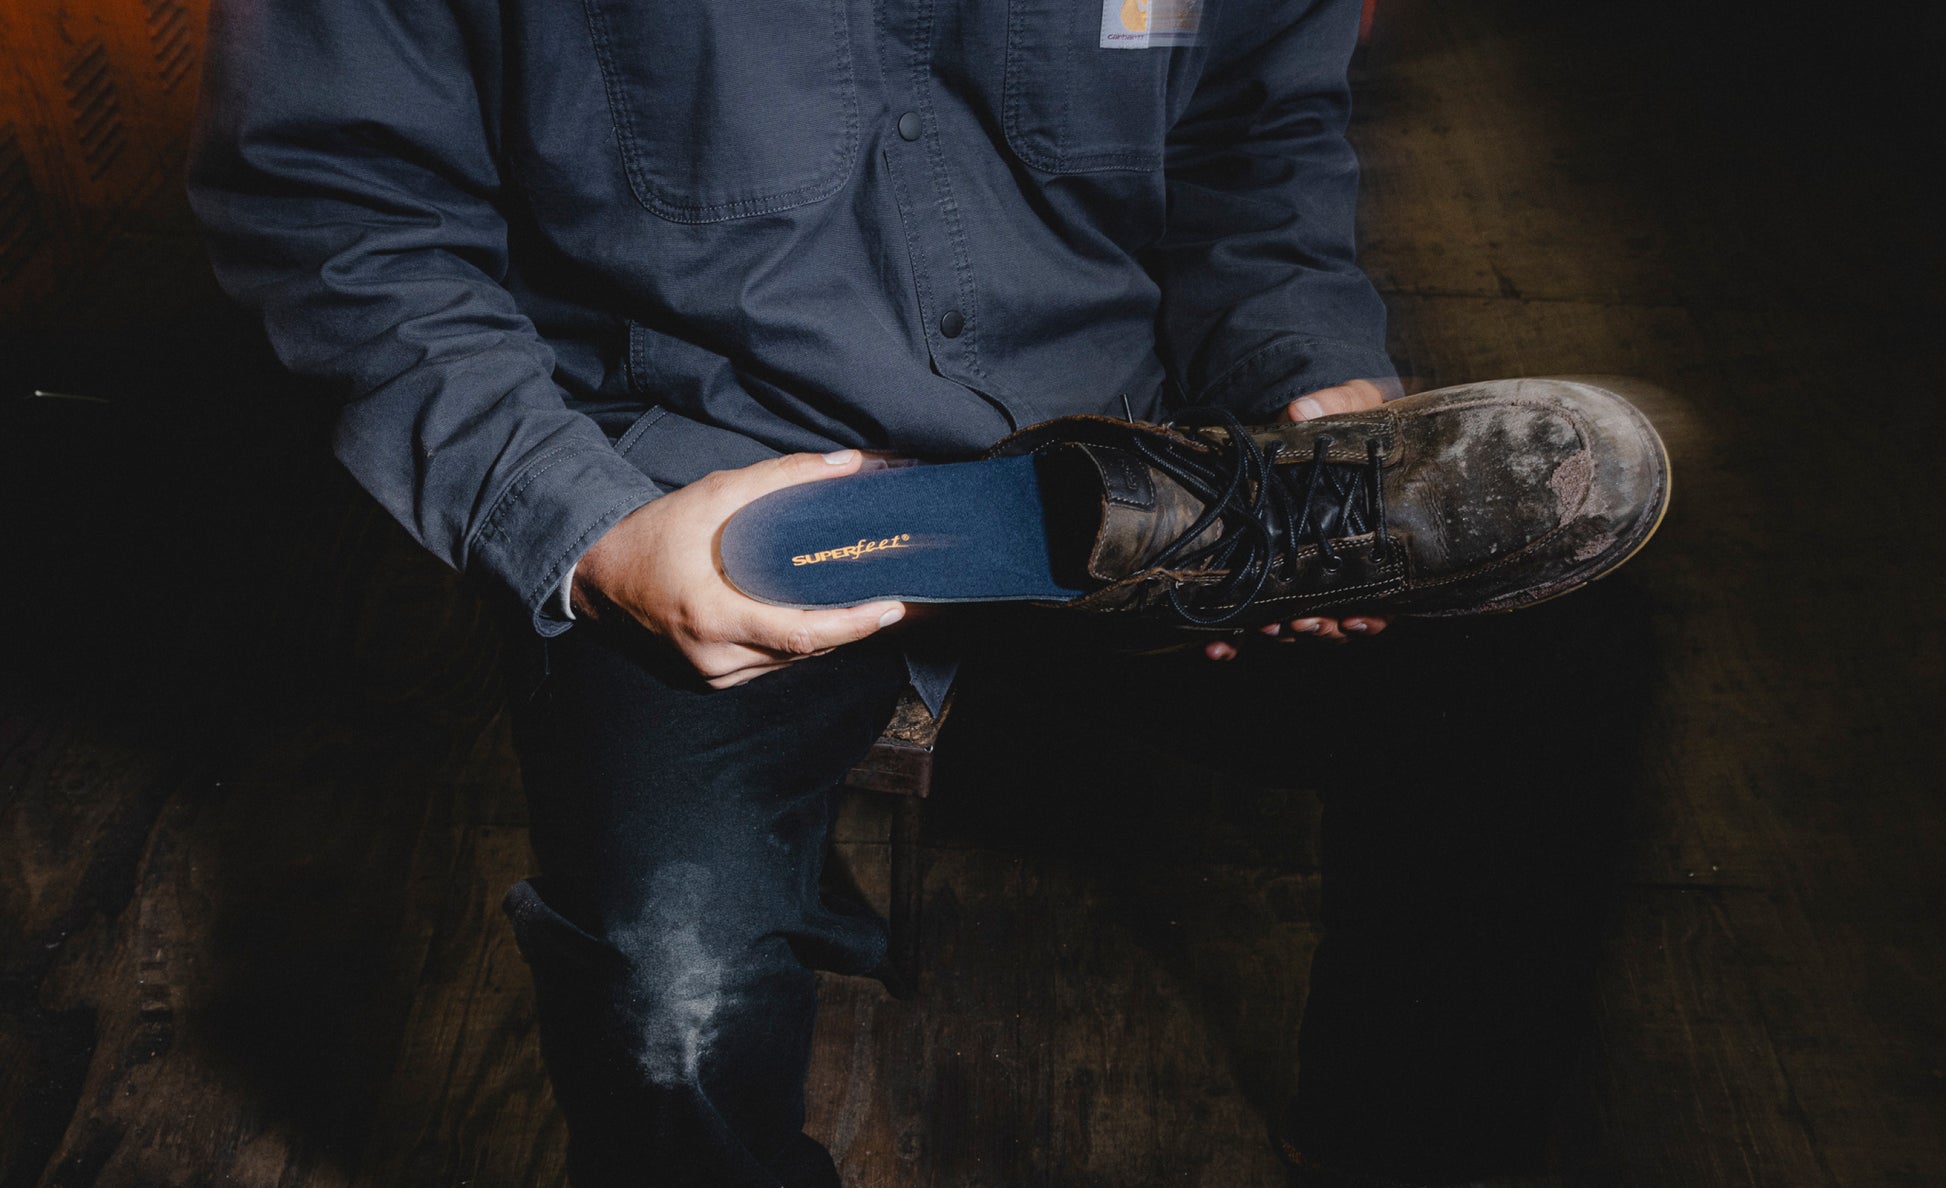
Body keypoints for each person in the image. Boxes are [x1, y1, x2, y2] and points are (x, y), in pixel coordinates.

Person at [191, 0, 1644, 1183]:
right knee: (666, 1006)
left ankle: (1391, 1145)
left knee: (1542, 648)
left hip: (1135, 467)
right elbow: (341, 211)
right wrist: (584, 528)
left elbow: (1250, 148)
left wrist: (1300, 378)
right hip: (704, 485)